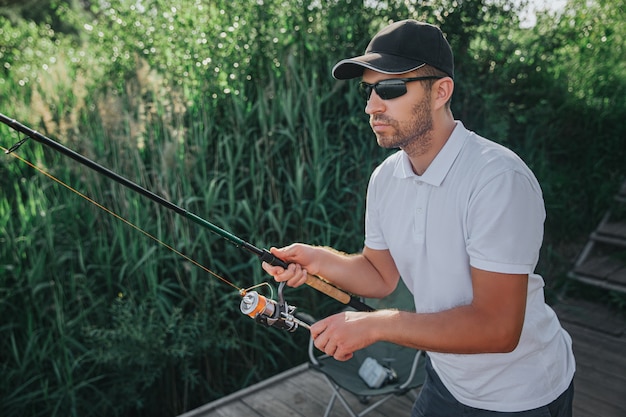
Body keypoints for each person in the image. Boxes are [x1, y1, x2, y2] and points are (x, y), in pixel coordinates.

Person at [262, 19, 575, 416]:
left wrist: (373, 325)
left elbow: (498, 328)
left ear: (441, 91)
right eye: (368, 90)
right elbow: (379, 275)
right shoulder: (385, 178)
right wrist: (316, 259)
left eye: (390, 88)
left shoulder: (498, 178)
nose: (371, 106)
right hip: (445, 380)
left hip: (521, 394)